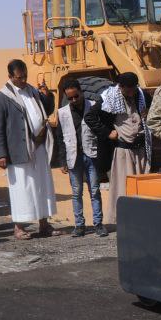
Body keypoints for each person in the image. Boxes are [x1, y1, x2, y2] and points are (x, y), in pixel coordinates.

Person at [0, 59, 56, 240]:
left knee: (43, 184)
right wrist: (1, 154)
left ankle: (44, 224)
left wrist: (47, 96)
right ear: (10, 77)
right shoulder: (0, 98)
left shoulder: (33, 91)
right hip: (17, 150)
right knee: (21, 187)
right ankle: (19, 227)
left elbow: (47, 110)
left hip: (40, 146)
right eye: (19, 77)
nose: (24, 80)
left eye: (25, 76)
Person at [55, 76, 108, 237]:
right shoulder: (62, 113)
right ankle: (79, 225)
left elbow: (101, 131)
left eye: (76, 96)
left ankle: (98, 224)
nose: (73, 100)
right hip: (73, 157)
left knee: (94, 190)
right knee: (76, 192)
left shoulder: (93, 107)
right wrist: (62, 160)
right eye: (69, 98)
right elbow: (60, 138)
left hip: (91, 155)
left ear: (81, 92)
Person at [101, 73, 151, 225]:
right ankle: (124, 220)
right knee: (124, 186)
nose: (131, 93)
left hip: (142, 150)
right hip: (124, 152)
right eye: (128, 90)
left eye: (133, 89)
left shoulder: (142, 95)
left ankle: (143, 219)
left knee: (143, 186)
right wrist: (108, 132)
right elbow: (92, 118)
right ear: (120, 87)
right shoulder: (109, 98)